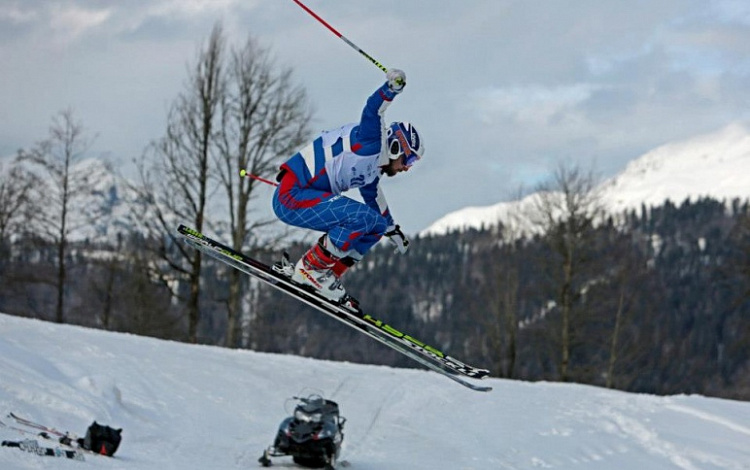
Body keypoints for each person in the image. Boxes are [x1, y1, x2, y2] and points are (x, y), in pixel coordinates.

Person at [271, 69, 424, 311]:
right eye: (409, 160)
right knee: (361, 217)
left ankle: (327, 277)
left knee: (375, 226)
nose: (407, 168)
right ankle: (312, 270)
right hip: (291, 196)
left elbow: (374, 198)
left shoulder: (373, 168)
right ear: (397, 146)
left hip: (302, 197)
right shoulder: (372, 141)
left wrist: (392, 229)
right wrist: (392, 88)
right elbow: (373, 109)